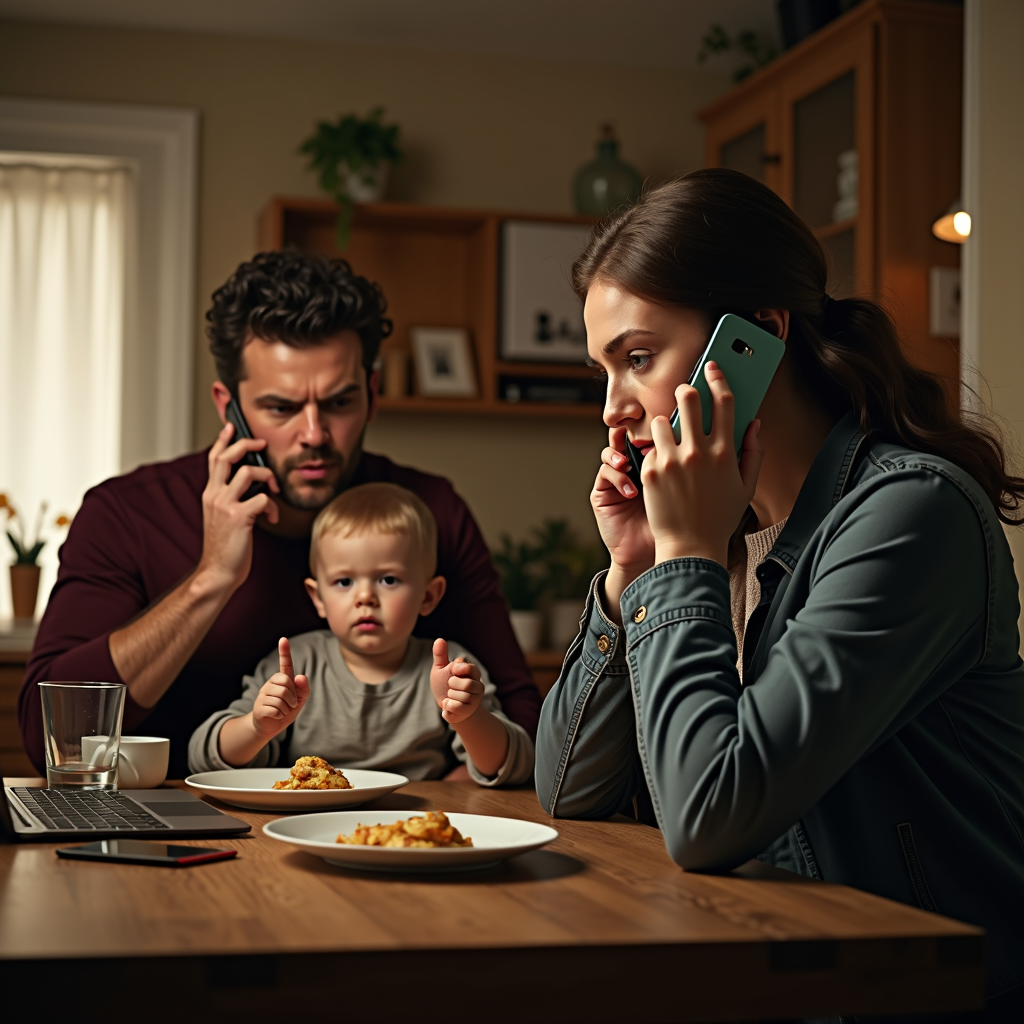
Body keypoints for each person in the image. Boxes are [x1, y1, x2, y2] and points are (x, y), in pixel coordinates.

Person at [535, 169, 1024, 1017]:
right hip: (772, 970)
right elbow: (568, 789)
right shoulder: (716, 531)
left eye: (638, 359)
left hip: (916, 999)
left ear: (754, 338)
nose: (612, 409)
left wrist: (683, 555)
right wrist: (631, 574)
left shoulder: (911, 515)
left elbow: (710, 818)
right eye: (602, 372)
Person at [19, 250, 539, 779]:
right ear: (229, 406)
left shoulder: (429, 511)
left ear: (372, 395)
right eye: (281, 408)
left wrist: (427, 812)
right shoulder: (128, 512)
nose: (314, 434)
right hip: (168, 824)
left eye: (339, 403)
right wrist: (211, 578)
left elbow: (521, 719)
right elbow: (53, 740)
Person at [189, 483, 533, 785]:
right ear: (318, 597)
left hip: (414, 827)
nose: (365, 597)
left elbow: (512, 767)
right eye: (344, 582)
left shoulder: (449, 669)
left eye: (388, 580)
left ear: (428, 596)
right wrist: (256, 727)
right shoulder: (294, 665)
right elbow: (204, 758)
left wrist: (470, 717)